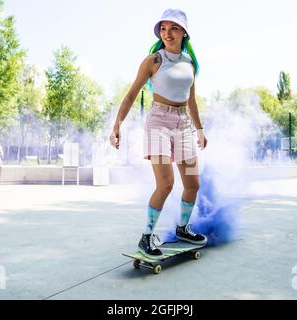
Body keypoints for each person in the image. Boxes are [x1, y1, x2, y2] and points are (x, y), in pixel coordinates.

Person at [109, 8, 208, 259]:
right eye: (163, 29)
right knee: (165, 184)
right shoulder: (153, 60)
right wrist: (117, 124)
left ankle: (183, 229)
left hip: (184, 123)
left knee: (193, 184)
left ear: (184, 32)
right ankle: (146, 237)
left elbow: (192, 101)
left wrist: (199, 129)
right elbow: (132, 93)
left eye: (173, 28)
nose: (168, 33)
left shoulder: (190, 64)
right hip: (159, 122)